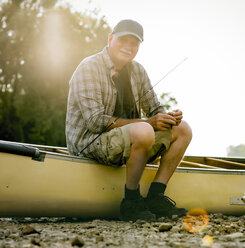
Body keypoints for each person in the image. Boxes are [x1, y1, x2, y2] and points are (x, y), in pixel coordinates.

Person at [66, 19, 192, 221]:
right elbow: (95, 122)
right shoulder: (88, 67)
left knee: (183, 129)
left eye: (134, 43)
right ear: (110, 39)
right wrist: (149, 123)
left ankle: (155, 196)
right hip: (90, 143)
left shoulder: (138, 70)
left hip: (132, 139)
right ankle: (131, 201)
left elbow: (154, 109)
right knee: (143, 130)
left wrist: (168, 117)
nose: (128, 47)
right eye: (123, 40)